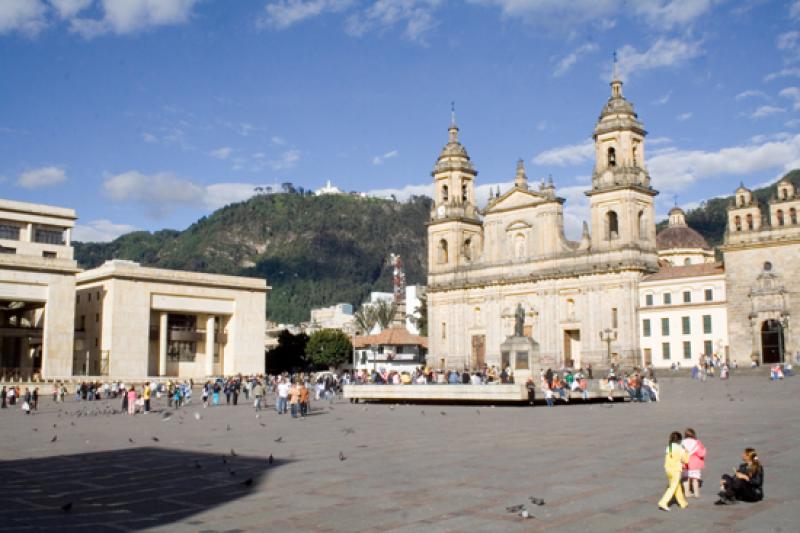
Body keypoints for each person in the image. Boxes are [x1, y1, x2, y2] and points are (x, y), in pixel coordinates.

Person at [658, 431, 689, 511]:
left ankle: (682, 503)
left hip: (668, 469)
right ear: (679, 440)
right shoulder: (680, 449)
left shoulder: (669, 447)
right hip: (676, 470)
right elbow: (686, 460)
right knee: (672, 487)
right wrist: (686, 452)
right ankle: (663, 502)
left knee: (677, 486)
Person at [682, 428, 706, 498]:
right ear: (693, 435)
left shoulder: (682, 443)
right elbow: (701, 453)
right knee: (695, 479)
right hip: (695, 464)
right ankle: (696, 493)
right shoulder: (697, 442)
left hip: (685, 463)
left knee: (686, 478)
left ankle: (687, 493)